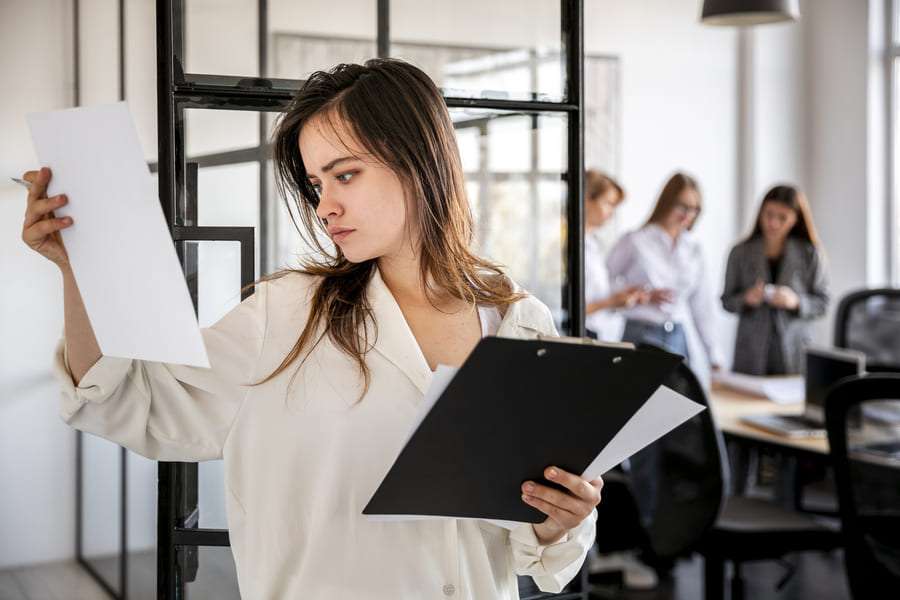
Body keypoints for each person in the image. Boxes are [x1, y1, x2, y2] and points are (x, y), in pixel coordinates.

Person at [21, 59, 602, 599]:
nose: (324, 207)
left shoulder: (520, 322)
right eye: (318, 185)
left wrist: (564, 519)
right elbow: (125, 397)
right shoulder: (285, 315)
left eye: (345, 175)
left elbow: (538, 556)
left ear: (421, 160)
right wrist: (79, 271)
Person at [606, 172, 724, 379]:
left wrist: (715, 357)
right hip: (640, 334)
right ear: (667, 202)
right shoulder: (636, 240)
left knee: (681, 405)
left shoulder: (694, 249)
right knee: (637, 404)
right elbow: (601, 285)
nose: (687, 214)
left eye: (694, 209)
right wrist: (641, 295)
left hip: (678, 337)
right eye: (682, 206)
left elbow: (702, 306)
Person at [721, 184, 829, 375]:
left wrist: (795, 301)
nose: (773, 223)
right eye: (768, 214)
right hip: (751, 353)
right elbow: (727, 301)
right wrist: (747, 298)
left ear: (796, 220)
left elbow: (823, 303)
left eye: (782, 217)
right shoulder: (740, 252)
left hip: (794, 352)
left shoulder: (809, 254)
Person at [583, 169, 649, 341]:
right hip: (574, 333)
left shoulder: (592, 243)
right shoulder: (569, 244)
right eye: (608, 204)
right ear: (587, 199)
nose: (612, 213)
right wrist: (610, 302)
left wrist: (620, 297)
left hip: (594, 332)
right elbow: (564, 307)